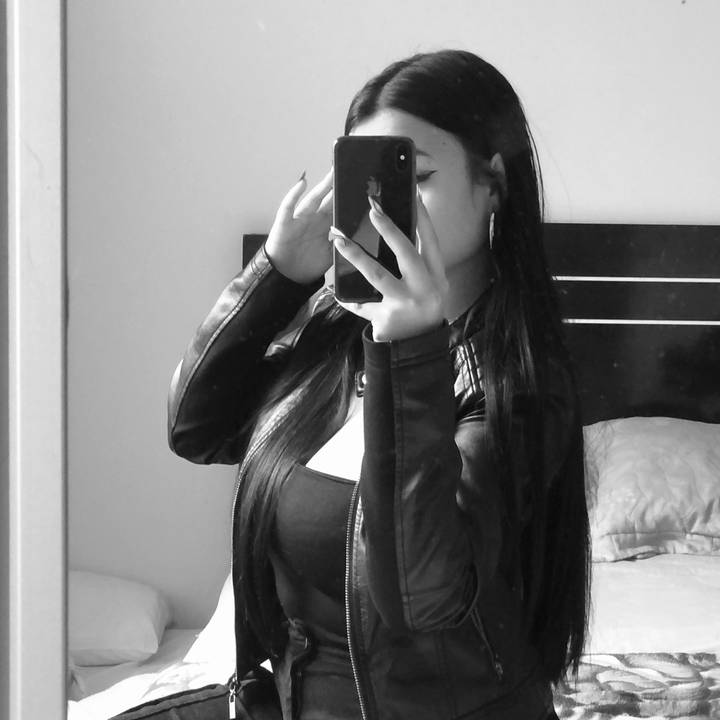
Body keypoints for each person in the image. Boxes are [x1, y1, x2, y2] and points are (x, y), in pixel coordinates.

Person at [167, 49, 590, 720]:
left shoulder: (519, 384)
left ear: (494, 184)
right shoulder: (336, 338)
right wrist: (277, 274)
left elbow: (421, 595)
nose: (388, 211)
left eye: (414, 178)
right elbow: (198, 429)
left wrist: (410, 349)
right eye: (369, 183)